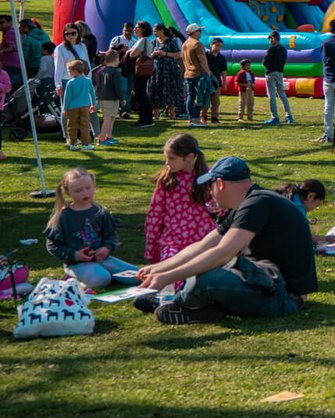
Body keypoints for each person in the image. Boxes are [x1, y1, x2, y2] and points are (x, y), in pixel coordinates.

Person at [136, 156, 317, 325]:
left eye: (210, 186)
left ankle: (178, 303)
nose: (210, 193)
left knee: (206, 277)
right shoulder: (249, 203)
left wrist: (168, 277)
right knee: (204, 267)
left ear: (220, 184)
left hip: (284, 296)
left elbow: (223, 252)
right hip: (264, 282)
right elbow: (203, 245)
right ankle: (196, 308)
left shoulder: (258, 203)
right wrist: (158, 268)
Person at [45, 168, 136, 288]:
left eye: (88, 188)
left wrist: (106, 248)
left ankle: (102, 271)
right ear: (68, 192)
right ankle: (73, 275)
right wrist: (75, 254)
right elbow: (53, 245)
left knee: (137, 276)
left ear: (94, 186)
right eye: (78, 190)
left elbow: (110, 235)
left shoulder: (100, 211)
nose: (84, 193)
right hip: (77, 264)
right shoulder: (63, 216)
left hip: (103, 259)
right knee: (102, 280)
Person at [144, 134, 218, 262]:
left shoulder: (209, 178)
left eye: (172, 158)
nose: (167, 163)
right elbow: (155, 215)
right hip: (173, 243)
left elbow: (225, 209)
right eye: (166, 158)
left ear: (189, 157)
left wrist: (218, 206)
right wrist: (152, 248)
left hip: (204, 242)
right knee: (173, 273)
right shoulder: (167, 180)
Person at [261, 29, 294, 125]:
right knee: (282, 95)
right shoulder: (283, 49)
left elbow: (265, 62)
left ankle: (274, 117)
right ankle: (289, 116)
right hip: (280, 72)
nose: (269, 41)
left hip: (271, 73)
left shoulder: (272, 49)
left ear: (273, 38)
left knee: (271, 96)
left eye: (270, 39)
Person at [92, 48, 123, 146]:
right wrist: (122, 98)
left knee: (111, 117)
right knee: (108, 118)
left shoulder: (100, 71)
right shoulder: (115, 72)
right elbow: (117, 87)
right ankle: (101, 139)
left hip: (102, 97)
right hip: (111, 98)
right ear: (116, 59)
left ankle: (108, 136)